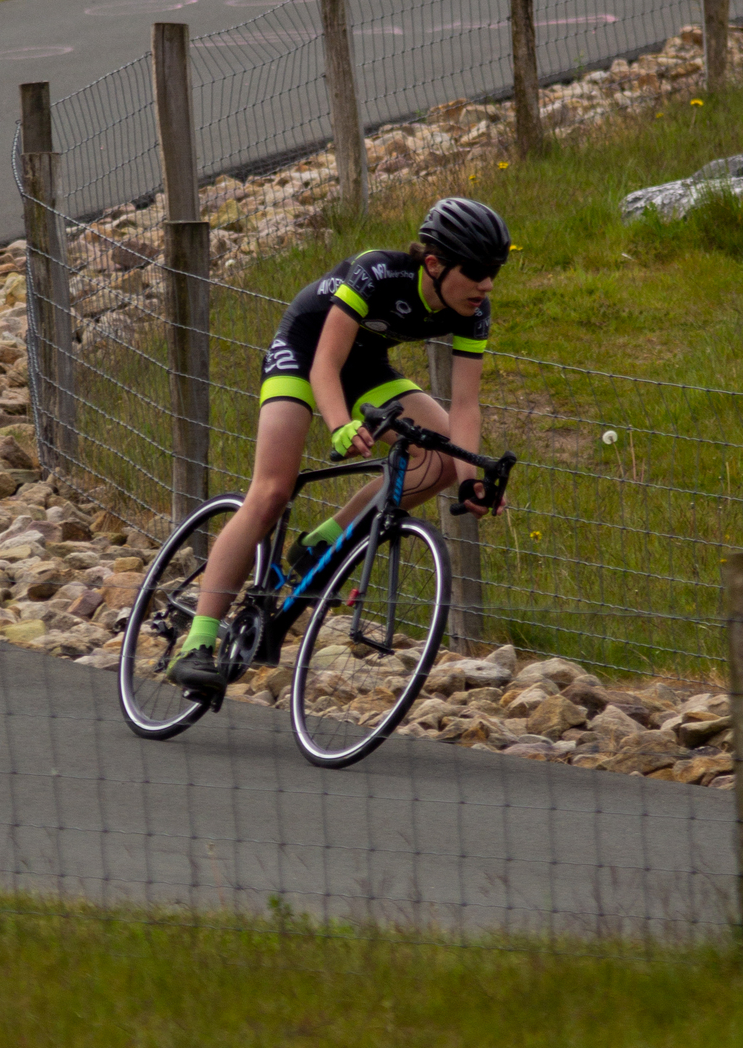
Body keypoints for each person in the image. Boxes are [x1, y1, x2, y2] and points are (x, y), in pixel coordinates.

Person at [167, 196, 512, 699]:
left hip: (367, 367)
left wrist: (471, 481)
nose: (486, 285)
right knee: (271, 492)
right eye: (477, 271)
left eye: (495, 272)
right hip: (306, 351)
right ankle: (196, 643)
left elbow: (465, 407)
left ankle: (326, 538)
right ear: (434, 264)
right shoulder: (377, 273)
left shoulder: (473, 310)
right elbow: (324, 366)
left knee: (440, 459)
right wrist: (339, 426)